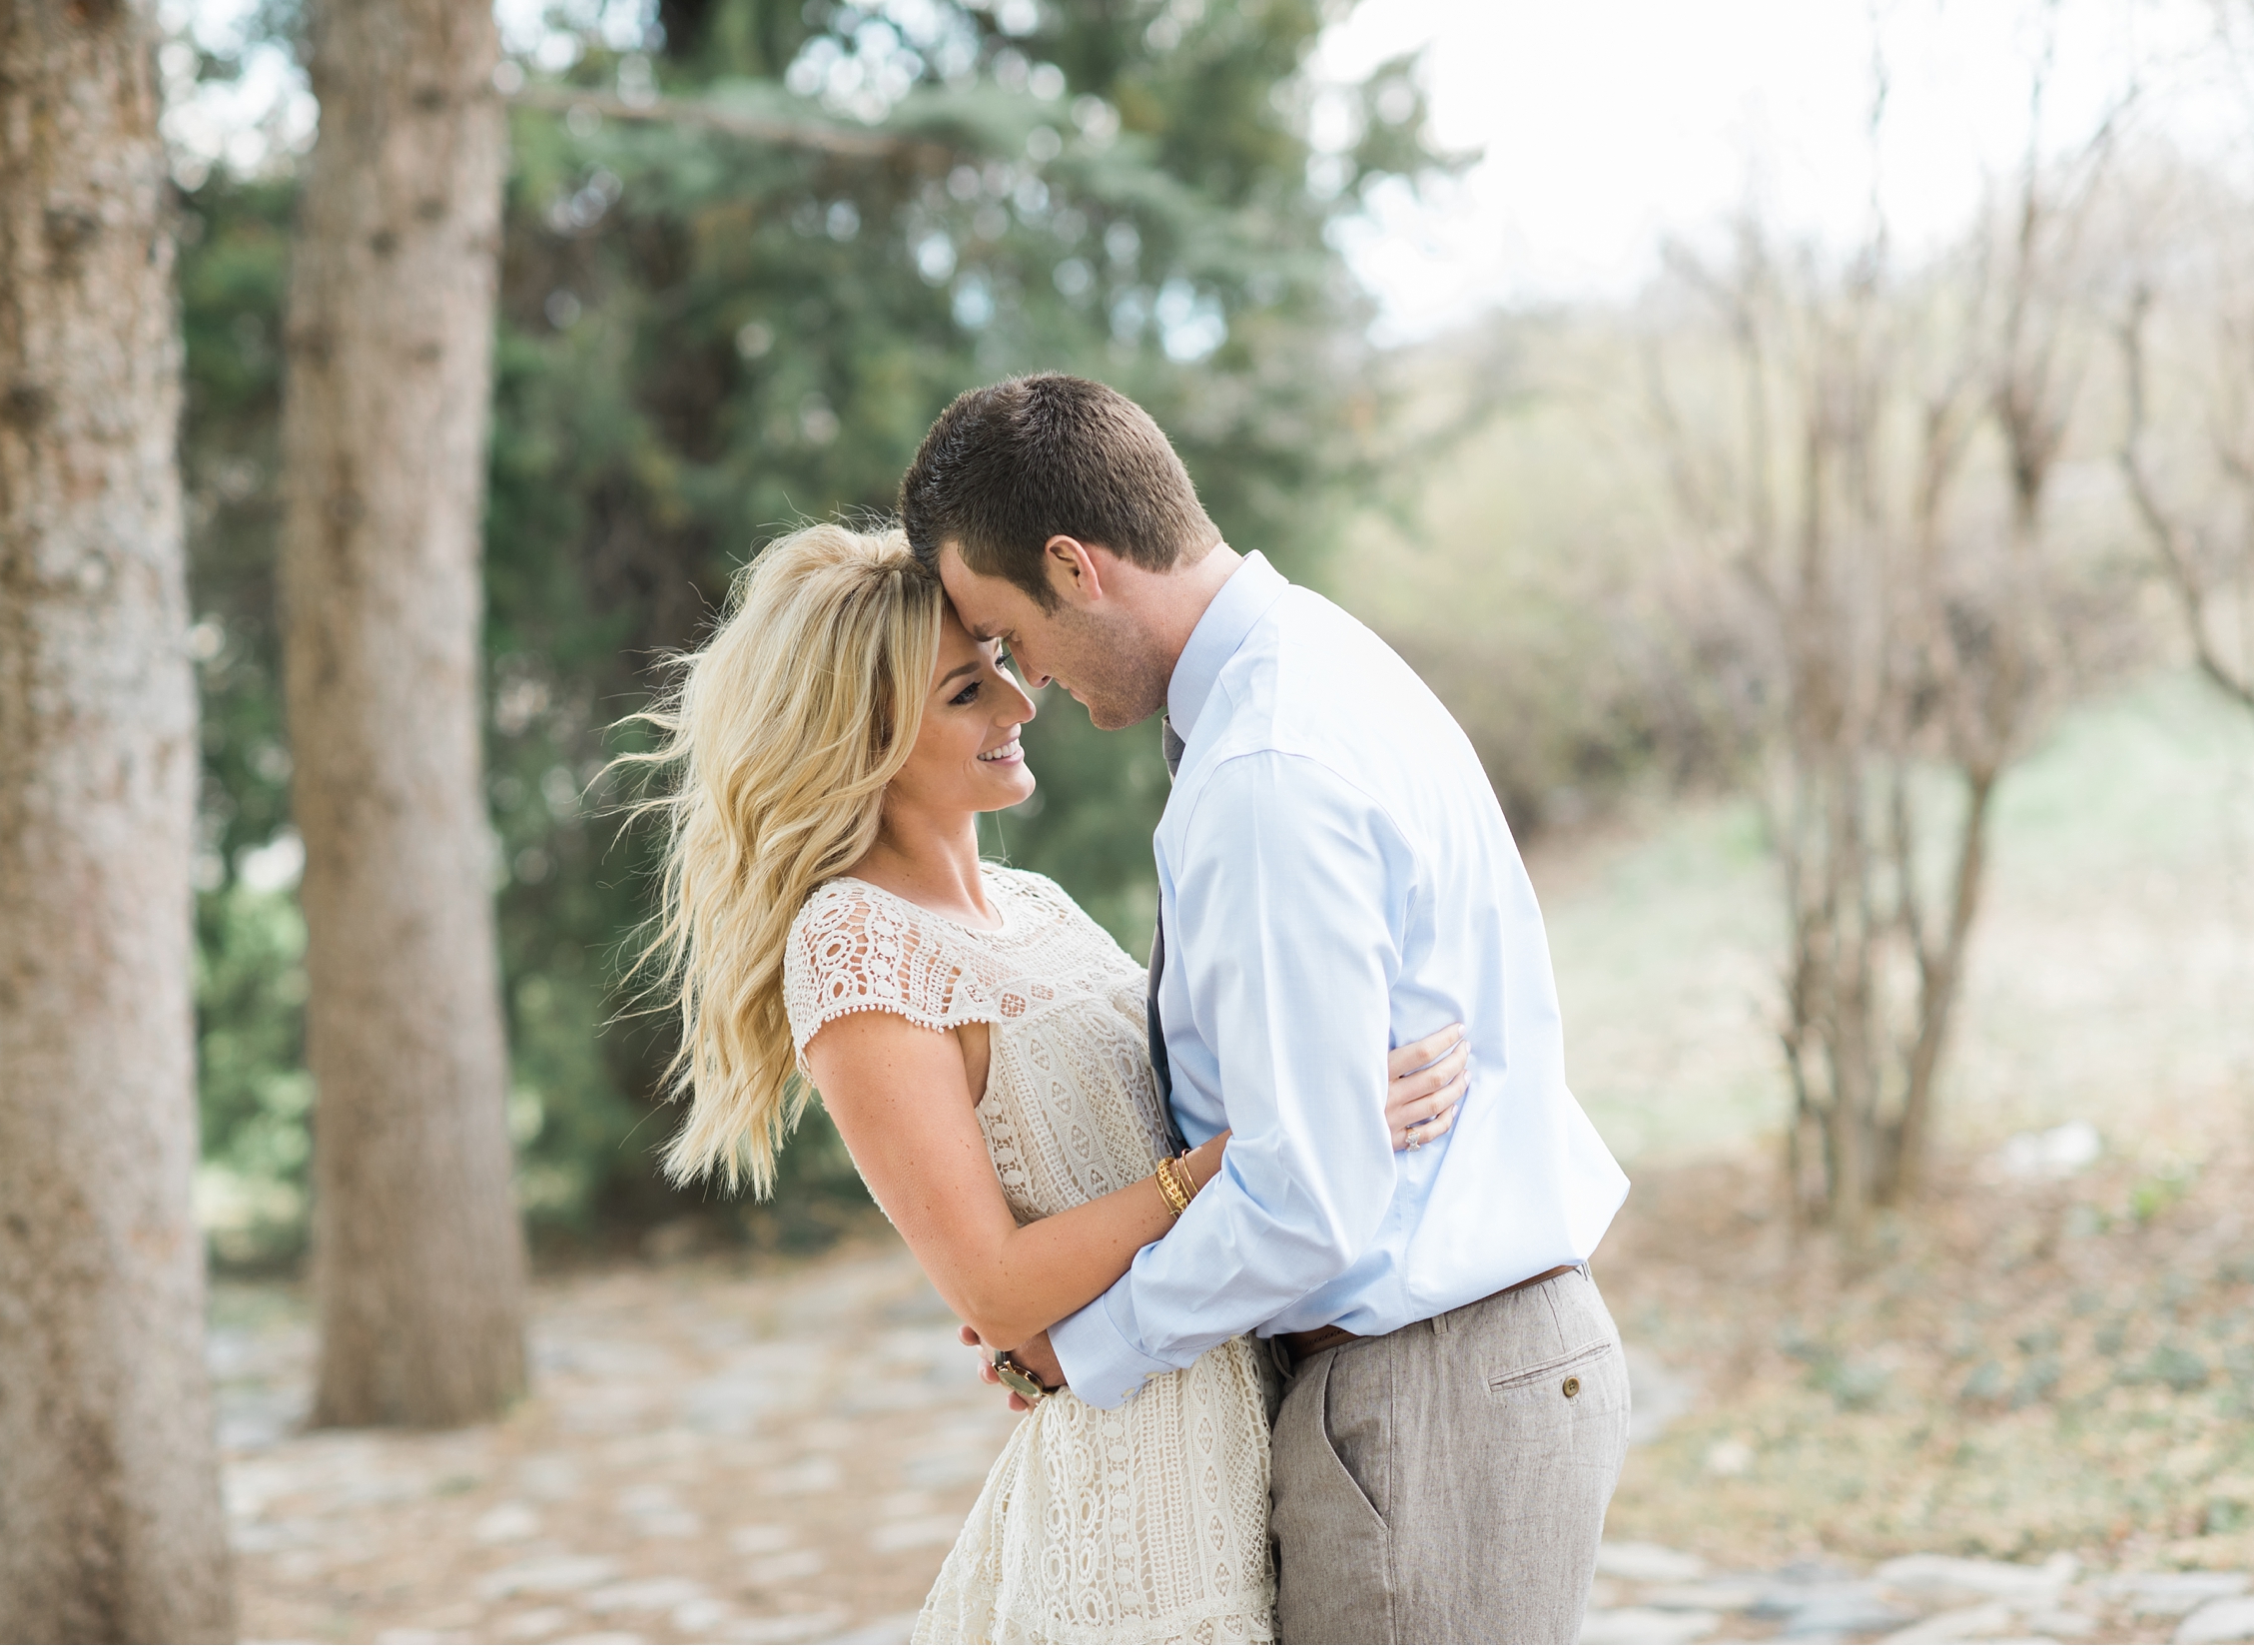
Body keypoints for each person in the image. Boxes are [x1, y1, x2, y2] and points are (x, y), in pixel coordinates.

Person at [628, 521, 1472, 1644]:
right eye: (967, 691)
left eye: (1007, 669)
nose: (1021, 707)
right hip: (1139, 1485)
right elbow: (994, 1291)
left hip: (1240, 1409)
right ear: (863, 735)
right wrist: (1244, 1157)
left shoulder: (1035, 904)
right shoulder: (853, 945)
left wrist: (1318, 1093)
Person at [899, 374, 1634, 1644]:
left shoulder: (1264, 774)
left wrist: (1089, 1347)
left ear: (1075, 565)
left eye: (1009, 635)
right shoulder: (1320, 667)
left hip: (1425, 1395)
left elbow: (1308, 1197)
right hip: (1470, 1370)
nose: (1024, 682)